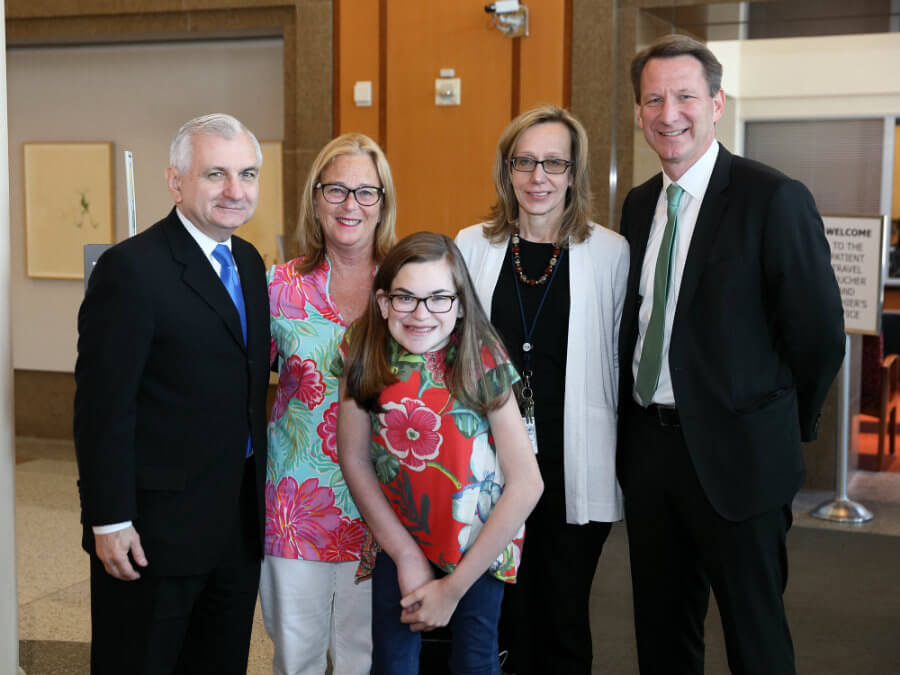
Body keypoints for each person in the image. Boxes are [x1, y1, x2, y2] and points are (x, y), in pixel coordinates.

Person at [618, 34, 845, 675]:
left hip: (743, 457)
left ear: (716, 103)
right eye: (654, 99)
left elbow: (819, 333)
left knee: (756, 638)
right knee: (662, 634)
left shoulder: (773, 197)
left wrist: (781, 424)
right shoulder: (638, 206)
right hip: (651, 453)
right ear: (638, 113)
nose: (670, 113)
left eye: (686, 96)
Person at [73, 113, 270, 675]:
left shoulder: (250, 263)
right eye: (216, 174)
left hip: (235, 523)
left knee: (220, 661)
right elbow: (102, 407)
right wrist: (108, 519)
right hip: (153, 532)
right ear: (176, 181)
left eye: (247, 174)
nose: (236, 191)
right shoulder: (131, 270)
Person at [455, 105, 629, 675]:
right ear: (507, 170)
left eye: (554, 162)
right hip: (493, 466)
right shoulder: (472, 246)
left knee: (563, 619)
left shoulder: (610, 252)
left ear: (575, 173)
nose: (539, 177)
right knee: (500, 618)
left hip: (573, 462)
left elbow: (617, 359)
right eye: (524, 161)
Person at [335, 232, 544, 675]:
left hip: (478, 545)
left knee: (475, 661)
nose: (421, 313)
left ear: (461, 304)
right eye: (405, 298)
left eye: (438, 299)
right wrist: (407, 556)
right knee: (393, 663)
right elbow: (353, 458)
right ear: (382, 302)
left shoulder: (481, 358)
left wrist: (453, 588)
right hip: (398, 539)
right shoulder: (362, 350)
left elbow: (527, 482)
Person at [260, 132, 397, 675]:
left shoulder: (406, 285)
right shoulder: (279, 288)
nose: (350, 205)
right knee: (298, 658)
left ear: (383, 202)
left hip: (385, 508)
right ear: (314, 199)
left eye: (366, 192)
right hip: (295, 507)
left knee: (370, 658)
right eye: (335, 189)